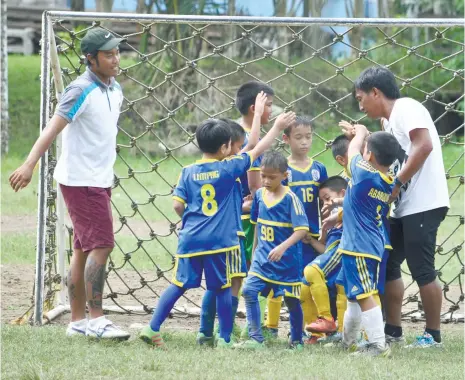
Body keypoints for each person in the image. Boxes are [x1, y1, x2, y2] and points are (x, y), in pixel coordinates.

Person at [9, 28, 129, 339]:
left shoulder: (115, 89)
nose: (115, 58)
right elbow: (53, 128)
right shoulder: (80, 90)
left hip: (98, 179)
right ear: (90, 58)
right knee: (102, 246)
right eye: (108, 54)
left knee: (82, 249)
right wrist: (29, 163)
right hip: (82, 181)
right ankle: (97, 319)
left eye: (117, 52)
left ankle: (77, 322)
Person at [139, 113, 296, 348]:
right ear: (224, 147)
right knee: (222, 286)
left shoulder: (187, 171)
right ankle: (223, 339)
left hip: (190, 239)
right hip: (220, 241)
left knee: (178, 284)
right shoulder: (229, 167)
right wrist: (276, 127)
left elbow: (177, 205)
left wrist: (194, 221)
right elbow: (256, 148)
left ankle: (152, 328)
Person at [353, 66, 449, 348]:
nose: (360, 105)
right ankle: (392, 330)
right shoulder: (388, 123)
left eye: (361, 98)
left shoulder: (406, 108)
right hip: (406, 207)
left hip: (424, 202)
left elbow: (424, 145)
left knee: (422, 269)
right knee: (389, 261)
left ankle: (433, 336)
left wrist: (396, 184)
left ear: (375, 92)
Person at [196, 92, 267, 345]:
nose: (241, 150)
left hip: (208, 235)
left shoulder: (199, 169)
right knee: (234, 281)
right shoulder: (230, 166)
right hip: (231, 234)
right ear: (226, 147)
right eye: (237, 147)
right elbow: (255, 143)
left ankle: (205, 332)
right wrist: (260, 116)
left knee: (216, 284)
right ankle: (225, 333)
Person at [262, 116, 328, 343]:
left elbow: (325, 203)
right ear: (286, 139)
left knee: (304, 285)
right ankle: (270, 327)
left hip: (309, 238)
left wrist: (323, 231)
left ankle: (303, 329)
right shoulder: (281, 170)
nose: (304, 142)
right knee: (276, 281)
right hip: (284, 238)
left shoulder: (319, 169)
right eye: (298, 137)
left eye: (308, 137)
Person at [337, 122, 400, 357]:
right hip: (362, 244)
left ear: (370, 155)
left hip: (360, 246)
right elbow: (365, 153)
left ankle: (377, 345)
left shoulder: (364, 173)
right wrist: (366, 138)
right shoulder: (387, 176)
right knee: (354, 296)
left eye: (366, 150)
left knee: (364, 295)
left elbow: (351, 151)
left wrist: (360, 132)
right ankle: (349, 342)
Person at [236, 151, 309, 350]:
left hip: (287, 262)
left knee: (292, 300)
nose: (266, 181)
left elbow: (302, 229)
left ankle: (296, 340)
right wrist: (255, 251)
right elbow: (257, 224)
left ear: (284, 176)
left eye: (272, 177)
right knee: (249, 291)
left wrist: (282, 246)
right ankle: (255, 338)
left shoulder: (291, 199)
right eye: (263, 176)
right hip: (263, 258)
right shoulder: (259, 195)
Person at [235, 80, 275, 336]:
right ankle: (255, 325)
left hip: (238, 214)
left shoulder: (237, 132)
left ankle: (248, 323)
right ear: (255, 108)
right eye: (268, 105)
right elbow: (255, 188)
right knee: (256, 269)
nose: (273, 110)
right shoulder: (247, 139)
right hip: (247, 218)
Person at [303, 176, 348, 342]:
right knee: (304, 286)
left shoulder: (347, 209)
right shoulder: (330, 219)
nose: (325, 203)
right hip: (333, 251)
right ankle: (318, 333)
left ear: (343, 194)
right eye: (322, 201)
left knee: (311, 270)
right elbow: (327, 251)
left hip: (343, 247)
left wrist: (338, 212)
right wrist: (313, 240)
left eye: (327, 198)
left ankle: (327, 320)